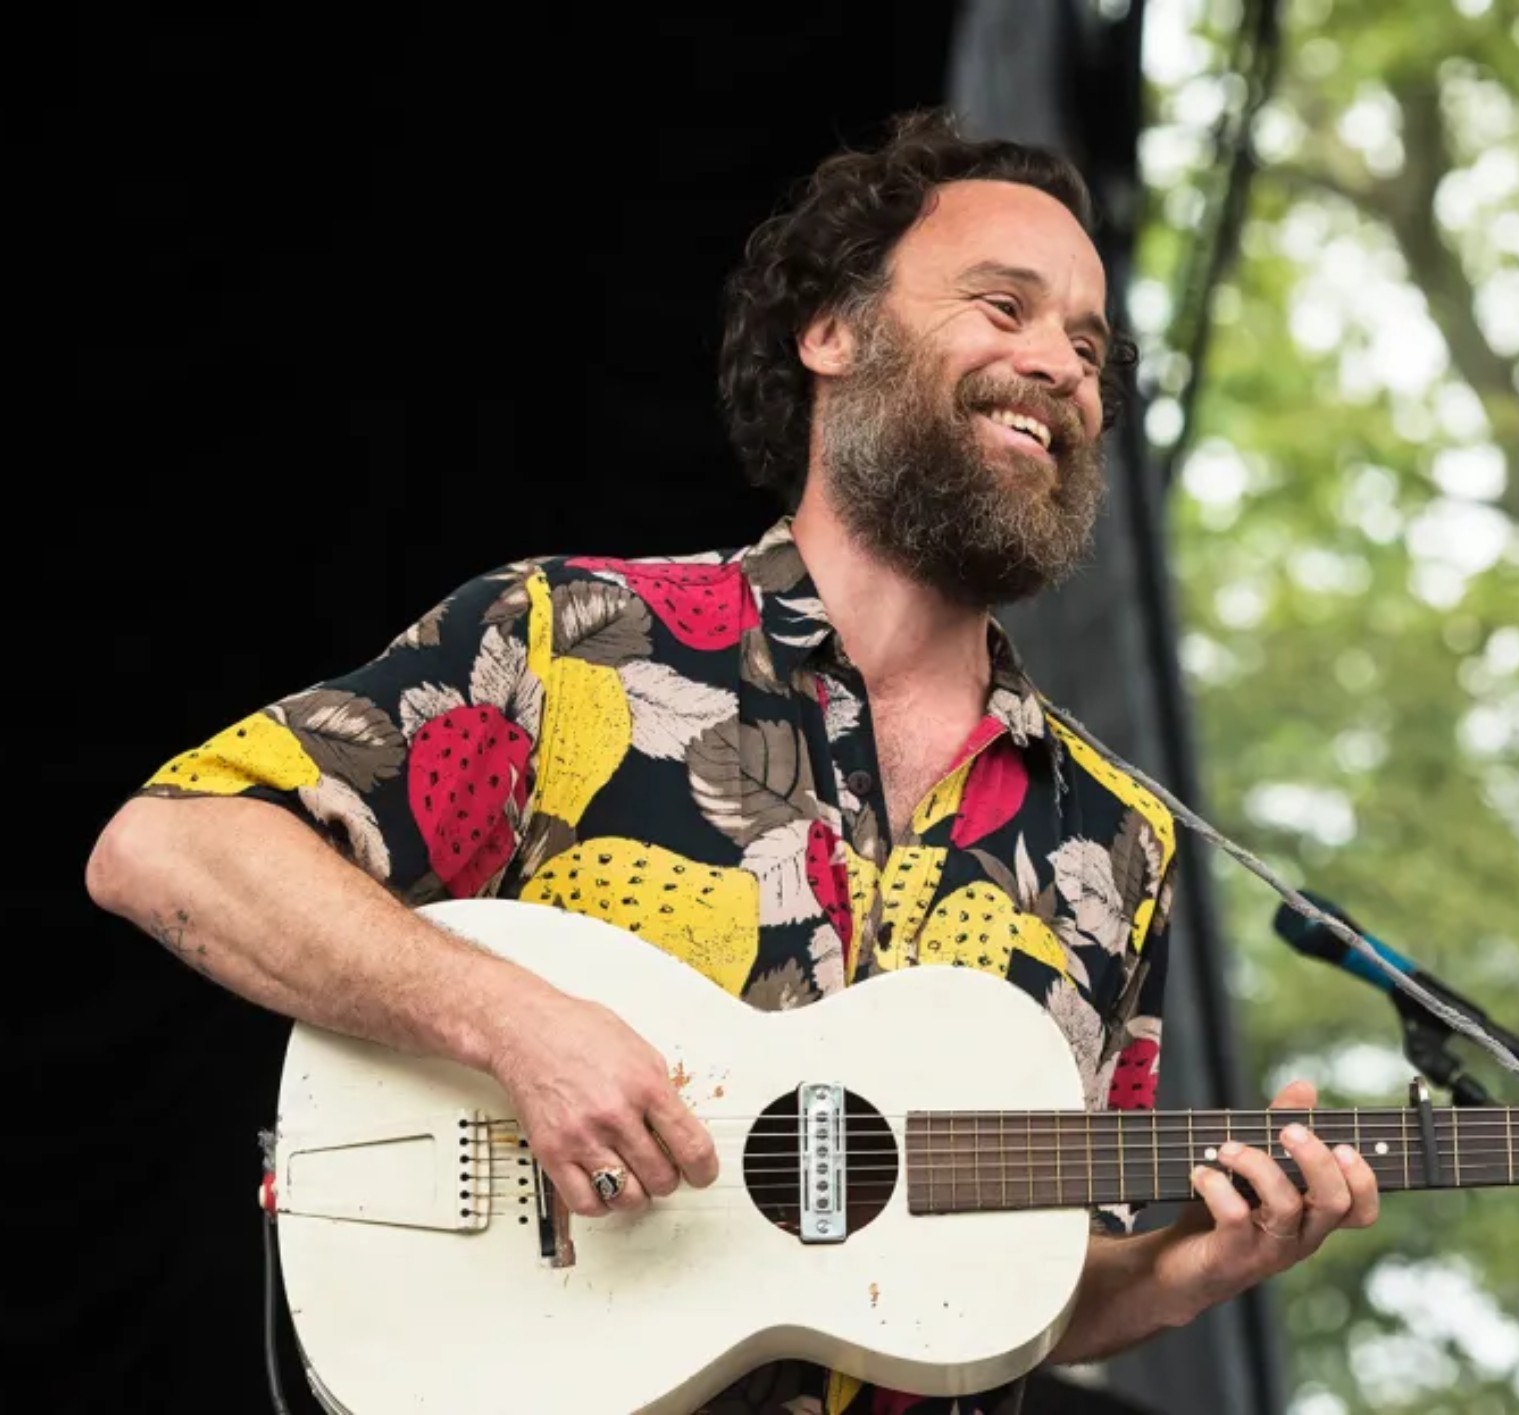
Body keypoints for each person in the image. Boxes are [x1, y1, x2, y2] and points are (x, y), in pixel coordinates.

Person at [84, 108, 1379, 1415]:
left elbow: (1012, 1289)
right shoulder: (578, 641)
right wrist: (517, 1023)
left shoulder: (1115, 842)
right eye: (1006, 307)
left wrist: (1183, 1271)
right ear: (831, 333)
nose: (1063, 365)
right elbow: (172, 845)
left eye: (1092, 346)